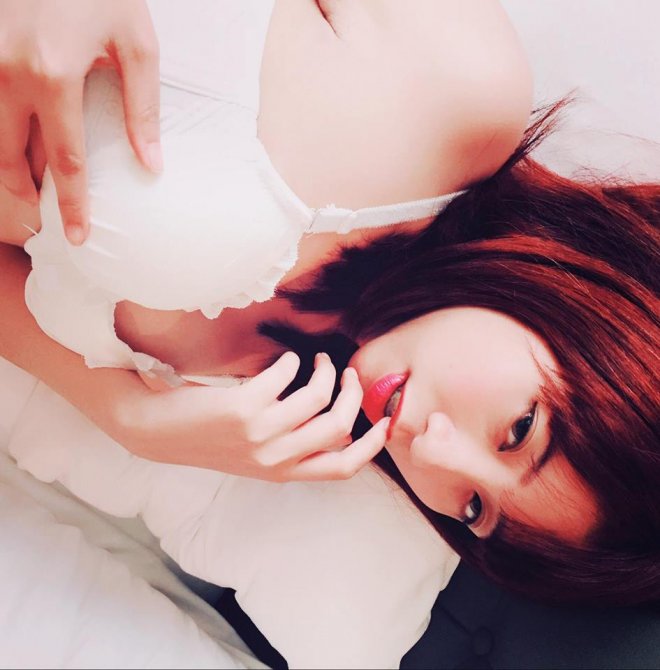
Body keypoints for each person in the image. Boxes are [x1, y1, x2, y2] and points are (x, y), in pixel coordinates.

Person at [0, 0, 658, 611]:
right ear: (584, 320)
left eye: (474, 509)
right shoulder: (466, 91)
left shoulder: (259, 389)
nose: (432, 456)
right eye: (518, 431)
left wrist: (128, 416)